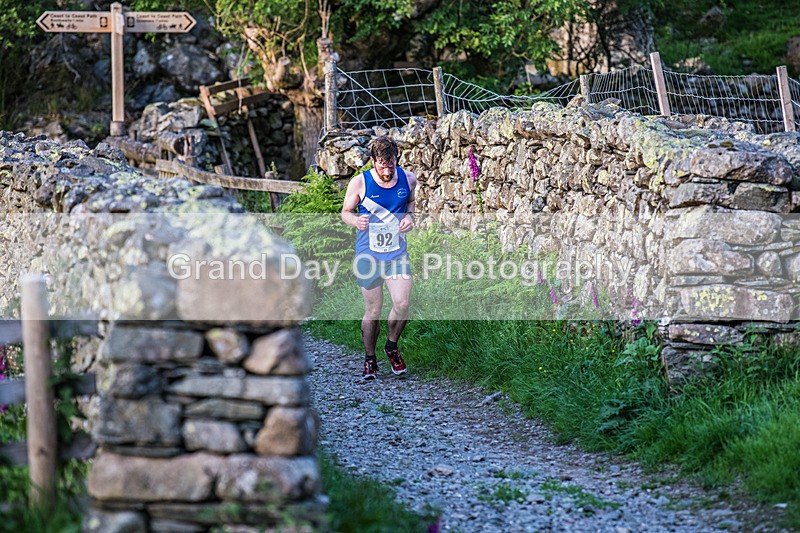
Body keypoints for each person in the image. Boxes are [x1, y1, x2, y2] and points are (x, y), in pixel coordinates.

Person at [341, 136, 417, 380]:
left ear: (396, 160)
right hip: (368, 255)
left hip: (396, 253)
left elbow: (411, 202)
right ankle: (370, 358)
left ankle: (392, 347)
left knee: (402, 303)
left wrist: (410, 218)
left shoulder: (409, 179)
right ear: (372, 161)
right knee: (373, 310)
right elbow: (345, 212)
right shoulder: (359, 183)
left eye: (390, 165)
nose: (386, 171)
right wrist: (355, 220)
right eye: (381, 166)